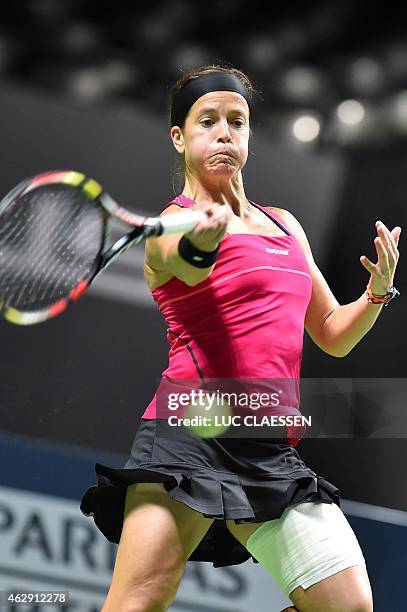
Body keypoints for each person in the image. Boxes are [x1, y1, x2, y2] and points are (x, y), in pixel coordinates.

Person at [80, 65, 401, 612]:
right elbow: (173, 261)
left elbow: (332, 335)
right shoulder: (175, 222)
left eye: (237, 121)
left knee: (349, 606)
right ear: (179, 138)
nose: (225, 132)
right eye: (208, 121)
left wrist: (376, 295)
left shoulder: (284, 226)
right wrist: (202, 242)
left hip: (269, 446)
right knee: (138, 601)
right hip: (189, 433)